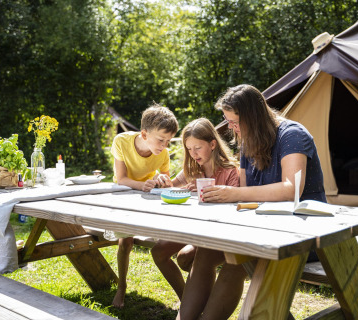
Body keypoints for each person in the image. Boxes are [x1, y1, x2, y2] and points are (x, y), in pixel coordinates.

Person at [177, 84, 326, 320]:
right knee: (205, 251)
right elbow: (247, 194)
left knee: (236, 259)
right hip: (264, 229)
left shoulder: (293, 135)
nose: (231, 128)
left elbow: (291, 190)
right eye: (228, 122)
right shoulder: (247, 142)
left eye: (235, 122)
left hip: (304, 234)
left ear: (253, 117)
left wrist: (233, 194)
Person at [151, 118, 239, 301]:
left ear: (213, 144)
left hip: (220, 232)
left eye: (197, 148)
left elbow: (235, 208)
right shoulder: (192, 169)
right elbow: (170, 188)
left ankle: (197, 303)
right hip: (195, 228)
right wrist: (161, 182)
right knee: (159, 251)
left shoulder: (230, 171)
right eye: (189, 149)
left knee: (185, 258)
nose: (193, 154)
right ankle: (187, 301)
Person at [111, 103, 178, 308]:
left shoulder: (163, 153)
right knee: (126, 243)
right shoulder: (121, 141)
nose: (164, 146)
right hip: (125, 194)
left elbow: (167, 180)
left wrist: (164, 181)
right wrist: (143, 185)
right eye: (161, 140)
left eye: (168, 141)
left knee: (164, 242)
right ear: (144, 134)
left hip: (148, 197)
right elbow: (121, 179)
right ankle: (121, 287)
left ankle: (185, 296)